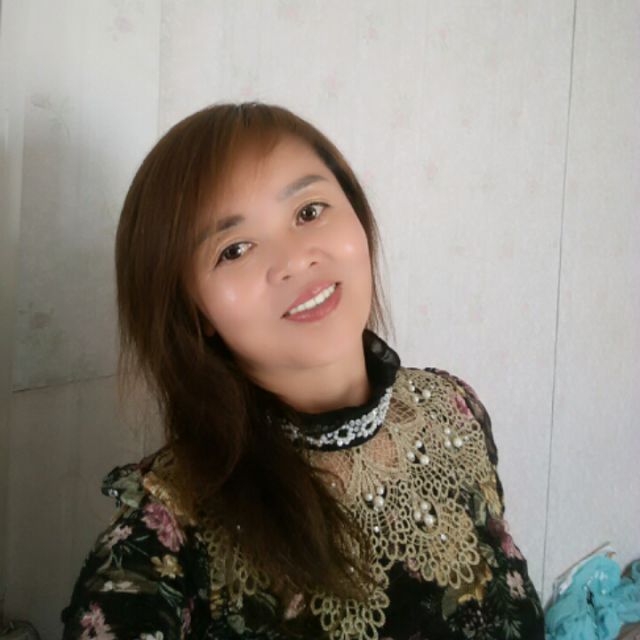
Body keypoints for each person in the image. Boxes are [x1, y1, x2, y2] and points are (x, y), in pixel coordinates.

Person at [61, 103, 544, 639]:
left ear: (356, 215)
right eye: (234, 249)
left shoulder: (455, 410)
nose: (294, 259)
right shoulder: (166, 532)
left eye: (309, 211)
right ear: (195, 313)